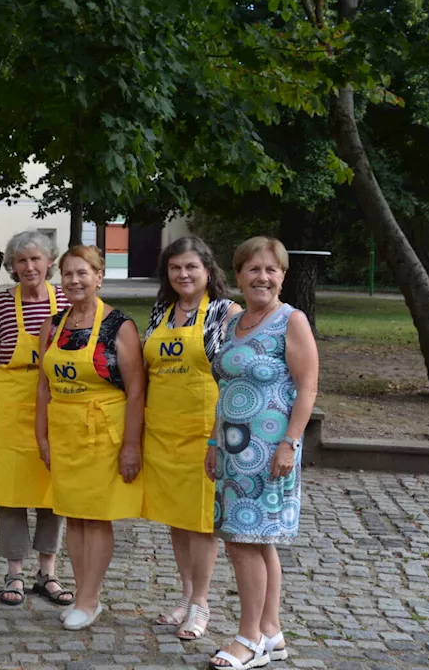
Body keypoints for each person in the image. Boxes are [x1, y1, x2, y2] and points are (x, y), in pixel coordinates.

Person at [207, 237, 318, 669]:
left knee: (243, 543)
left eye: (272, 270)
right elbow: (228, 389)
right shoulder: (235, 323)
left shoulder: (291, 320)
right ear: (238, 275)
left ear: (283, 276)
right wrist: (215, 442)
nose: (263, 277)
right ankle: (271, 632)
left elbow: (307, 387)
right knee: (258, 541)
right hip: (235, 450)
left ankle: (247, 639)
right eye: (253, 269)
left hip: (270, 450)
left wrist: (290, 442)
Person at [34, 245, 145, 631]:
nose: (75, 281)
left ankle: (90, 598)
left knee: (96, 518)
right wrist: (42, 435)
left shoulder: (120, 325)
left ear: (99, 276)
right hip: (64, 430)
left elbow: (136, 390)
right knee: (74, 517)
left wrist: (131, 445)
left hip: (102, 432)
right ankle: (83, 594)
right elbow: (43, 386)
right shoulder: (54, 324)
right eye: (68, 274)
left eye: (83, 273)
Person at [0, 231, 75, 607]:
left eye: (36, 259)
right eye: (21, 261)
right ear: (12, 266)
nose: (29, 267)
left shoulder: (66, 302)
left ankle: (48, 571)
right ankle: (13, 572)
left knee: (51, 490)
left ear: (50, 262)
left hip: (56, 400)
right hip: (9, 403)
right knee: (10, 493)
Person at [141, 236, 241, 640]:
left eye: (191, 267)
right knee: (176, 520)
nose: (183, 275)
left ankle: (200, 603)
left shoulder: (225, 312)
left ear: (207, 271)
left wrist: (218, 436)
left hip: (204, 434)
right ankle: (184, 596)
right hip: (162, 431)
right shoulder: (161, 313)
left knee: (201, 523)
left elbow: (234, 374)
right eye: (175, 268)